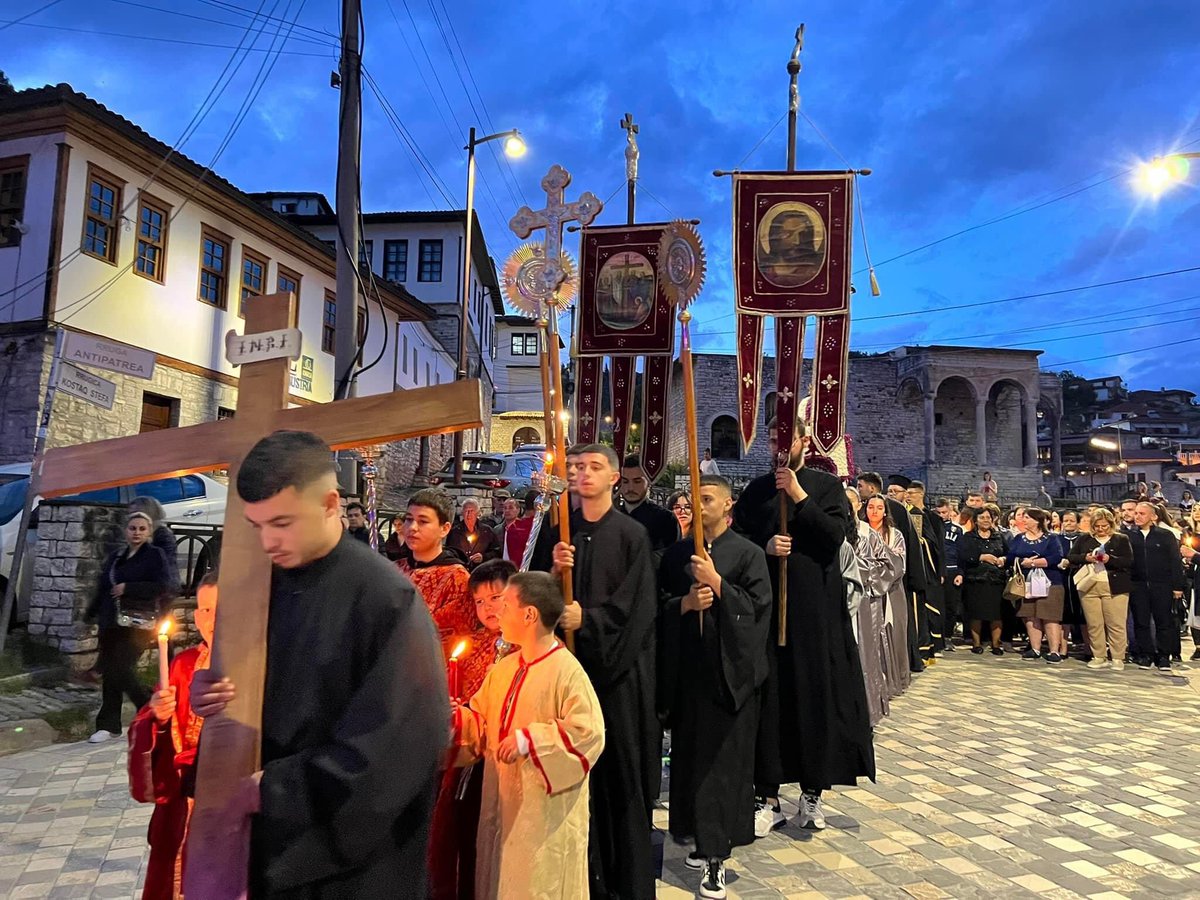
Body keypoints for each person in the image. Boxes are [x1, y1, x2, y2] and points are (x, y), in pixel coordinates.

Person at [189, 430, 447, 898]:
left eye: (282, 522)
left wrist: (278, 789)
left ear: (330, 504)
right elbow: (251, 688)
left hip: (353, 865)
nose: (268, 541)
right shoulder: (262, 586)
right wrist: (211, 694)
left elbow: (399, 745)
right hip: (270, 850)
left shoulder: (385, 598)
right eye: (257, 524)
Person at [734, 416, 874, 836]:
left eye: (787, 437)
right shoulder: (757, 491)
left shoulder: (826, 487)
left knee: (815, 700)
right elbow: (737, 542)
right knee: (771, 703)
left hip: (816, 616)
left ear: (803, 441)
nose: (780, 444)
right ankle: (768, 795)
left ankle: (812, 792)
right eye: (774, 437)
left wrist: (799, 498)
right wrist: (764, 546)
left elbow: (835, 537)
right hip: (769, 614)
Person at [547, 444, 659, 900]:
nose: (582, 474)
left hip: (617, 679)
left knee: (618, 780)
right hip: (569, 675)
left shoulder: (632, 535)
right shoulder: (561, 533)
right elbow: (538, 597)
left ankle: (623, 884)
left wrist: (586, 621)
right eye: (575, 468)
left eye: (593, 467)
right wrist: (555, 575)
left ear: (614, 477)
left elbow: (637, 610)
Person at [453, 572, 604, 900]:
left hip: (542, 821)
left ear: (529, 614)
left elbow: (588, 734)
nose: (498, 612)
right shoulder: (504, 668)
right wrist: (454, 720)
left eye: (505, 604)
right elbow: (481, 723)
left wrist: (530, 740)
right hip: (501, 806)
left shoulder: (566, 671)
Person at [659, 475, 771, 899]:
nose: (699, 506)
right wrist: (685, 604)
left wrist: (719, 584)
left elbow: (759, 612)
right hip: (689, 677)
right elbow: (659, 609)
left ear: (728, 506)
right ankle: (693, 835)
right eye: (695, 499)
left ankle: (716, 856)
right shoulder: (675, 555)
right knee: (689, 763)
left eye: (707, 499)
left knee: (722, 771)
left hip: (730, 681)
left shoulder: (748, 555)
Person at [428, 558, 519, 900]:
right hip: (470, 758)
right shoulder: (476, 642)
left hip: (506, 758)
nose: (487, 608)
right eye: (479, 602)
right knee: (462, 836)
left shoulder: (525, 646)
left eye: (495, 598)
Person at [127, 572, 216, 900]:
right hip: (183, 812)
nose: (213, 620)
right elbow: (151, 729)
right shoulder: (184, 665)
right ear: (195, 616)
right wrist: (158, 719)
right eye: (205, 611)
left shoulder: (259, 665)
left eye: (222, 610)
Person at [86, 511, 174, 743]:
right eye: (133, 528)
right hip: (111, 621)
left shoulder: (154, 556)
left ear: (149, 532)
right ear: (126, 530)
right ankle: (108, 725)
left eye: (142, 529)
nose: (137, 533)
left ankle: (145, 704)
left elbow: (163, 586)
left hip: (138, 623)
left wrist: (129, 587)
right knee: (111, 673)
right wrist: (91, 613)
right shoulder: (117, 556)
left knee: (120, 667)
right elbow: (104, 587)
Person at [396, 490, 490, 680]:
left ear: (445, 529)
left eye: (423, 521)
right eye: (408, 519)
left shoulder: (457, 579)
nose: (412, 527)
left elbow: (454, 641)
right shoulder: (394, 570)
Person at [857, 472, 926, 673]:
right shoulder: (862, 517)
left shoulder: (897, 512)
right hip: (868, 583)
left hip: (893, 581)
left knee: (894, 625)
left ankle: (896, 667)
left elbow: (909, 548)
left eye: (861, 486)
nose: (875, 511)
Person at [848, 488, 901, 724]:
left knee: (863, 655)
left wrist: (852, 569)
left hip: (862, 603)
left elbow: (889, 567)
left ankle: (865, 708)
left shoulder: (867, 534)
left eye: (850, 504)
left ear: (857, 506)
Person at [1069, 508, 1133, 671]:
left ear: (1111, 524)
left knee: (1116, 623)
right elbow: (1071, 557)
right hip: (1090, 585)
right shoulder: (1084, 539)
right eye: (1097, 526)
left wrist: (1109, 559)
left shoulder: (1121, 539)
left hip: (1115, 585)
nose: (1101, 529)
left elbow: (1128, 561)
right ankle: (1099, 655)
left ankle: (1118, 657)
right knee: (1094, 623)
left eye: (1104, 526)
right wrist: (1086, 557)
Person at [1129, 501, 1186, 672]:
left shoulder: (1165, 535)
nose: (1137, 516)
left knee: (1164, 621)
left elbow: (1175, 561)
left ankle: (1163, 656)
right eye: (1136, 513)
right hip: (1138, 585)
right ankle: (1146, 654)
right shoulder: (1129, 536)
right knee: (1141, 621)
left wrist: (1178, 586)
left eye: (1142, 513)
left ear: (1153, 516)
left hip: (1162, 585)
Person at [864, 494, 910, 699]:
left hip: (891, 591)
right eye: (871, 507)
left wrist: (880, 560)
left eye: (879, 507)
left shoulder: (895, 534)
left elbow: (898, 564)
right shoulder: (860, 532)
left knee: (893, 632)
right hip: (867, 590)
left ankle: (893, 679)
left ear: (885, 511)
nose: (874, 511)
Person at [1007, 507, 1066, 663]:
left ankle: (1054, 651)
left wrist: (1034, 562)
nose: (1023, 520)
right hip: (1026, 581)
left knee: (1050, 616)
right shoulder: (1019, 538)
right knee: (1031, 615)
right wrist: (1021, 562)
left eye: (1027, 517)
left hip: (1050, 581)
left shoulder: (1051, 538)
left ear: (1037, 520)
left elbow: (1057, 557)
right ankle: (1035, 648)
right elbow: (1010, 557)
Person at [959, 508, 1008, 655]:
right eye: (982, 517)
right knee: (976, 613)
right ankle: (976, 643)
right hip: (976, 580)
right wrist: (981, 557)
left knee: (996, 614)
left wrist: (1003, 560)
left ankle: (996, 644)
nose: (986, 520)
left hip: (996, 580)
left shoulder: (999, 537)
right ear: (976, 520)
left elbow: (1008, 553)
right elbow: (963, 555)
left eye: (988, 517)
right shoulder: (968, 537)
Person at [906, 480, 945, 657]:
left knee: (931, 604)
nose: (908, 496)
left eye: (912, 493)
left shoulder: (933, 518)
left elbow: (939, 545)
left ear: (921, 494)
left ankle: (934, 642)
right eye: (907, 493)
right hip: (913, 568)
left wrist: (941, 570)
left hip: (930, 567)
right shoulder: (903, 513)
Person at [619, 454, 680, 563]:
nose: (630, 488)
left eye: (637, 481)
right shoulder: (610, 516)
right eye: (625, 481)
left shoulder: (665, 519)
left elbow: (672, 556)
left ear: (649, 482)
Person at [128, 496, 181, 592]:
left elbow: (163, 563)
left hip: (162, 586)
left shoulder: (163, 535)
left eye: (135, 513)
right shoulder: (136, 532)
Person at [937, 497, 964, 650]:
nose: (941, 515)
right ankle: (936, 637)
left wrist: (960, 573)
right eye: (939, 512)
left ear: (950, 512)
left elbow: (961, 553)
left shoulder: (957, 530)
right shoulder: (932, 528)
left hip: (952, 570)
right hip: (936, 572)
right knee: (937, 607)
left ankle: (947, 637)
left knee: (951, 606)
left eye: (944, 512)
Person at [447, 498, 502, 569]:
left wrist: (483, 557)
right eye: (466, 511)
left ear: (477, 513)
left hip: (481, 572)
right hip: (461, 571)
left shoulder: (487, 531)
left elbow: (496, 552)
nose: (468, 514)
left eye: (471, 511)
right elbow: (449, 553)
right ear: (462, 513)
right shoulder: (454, 532)